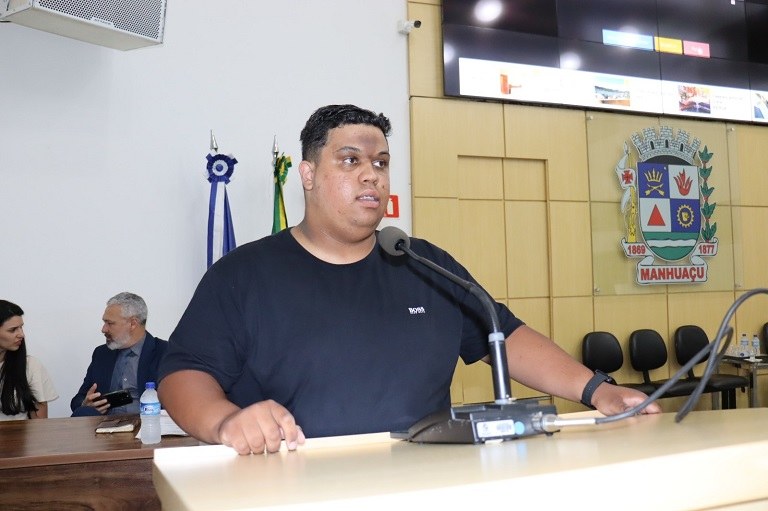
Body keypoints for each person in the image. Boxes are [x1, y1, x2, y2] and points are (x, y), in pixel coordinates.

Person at [158, 104, 661, 455]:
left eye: (381, 163)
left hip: (427, 482)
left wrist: (597, 389)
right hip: (296, 485)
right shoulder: (244, 274)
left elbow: (504, 336)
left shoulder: (421, 263)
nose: (372, 175)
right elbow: (183, 374)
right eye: (350, 161)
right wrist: (226, 422)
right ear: (308, 175)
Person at [71, 292, 167, 416]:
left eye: (110, 323)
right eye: (104, 322)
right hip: (105, 424)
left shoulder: (164, 352)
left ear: (133, 323)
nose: (103, 329)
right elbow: (78, 399)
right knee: (83, 412)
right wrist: (85, 403)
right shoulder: (101, 354)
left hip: (147, 422)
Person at [0, 300, 58, 420]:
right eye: (12, 330)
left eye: (21, 327)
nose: (21, 334)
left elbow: (40, 423)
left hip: (18, 432)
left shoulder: (31, 365)